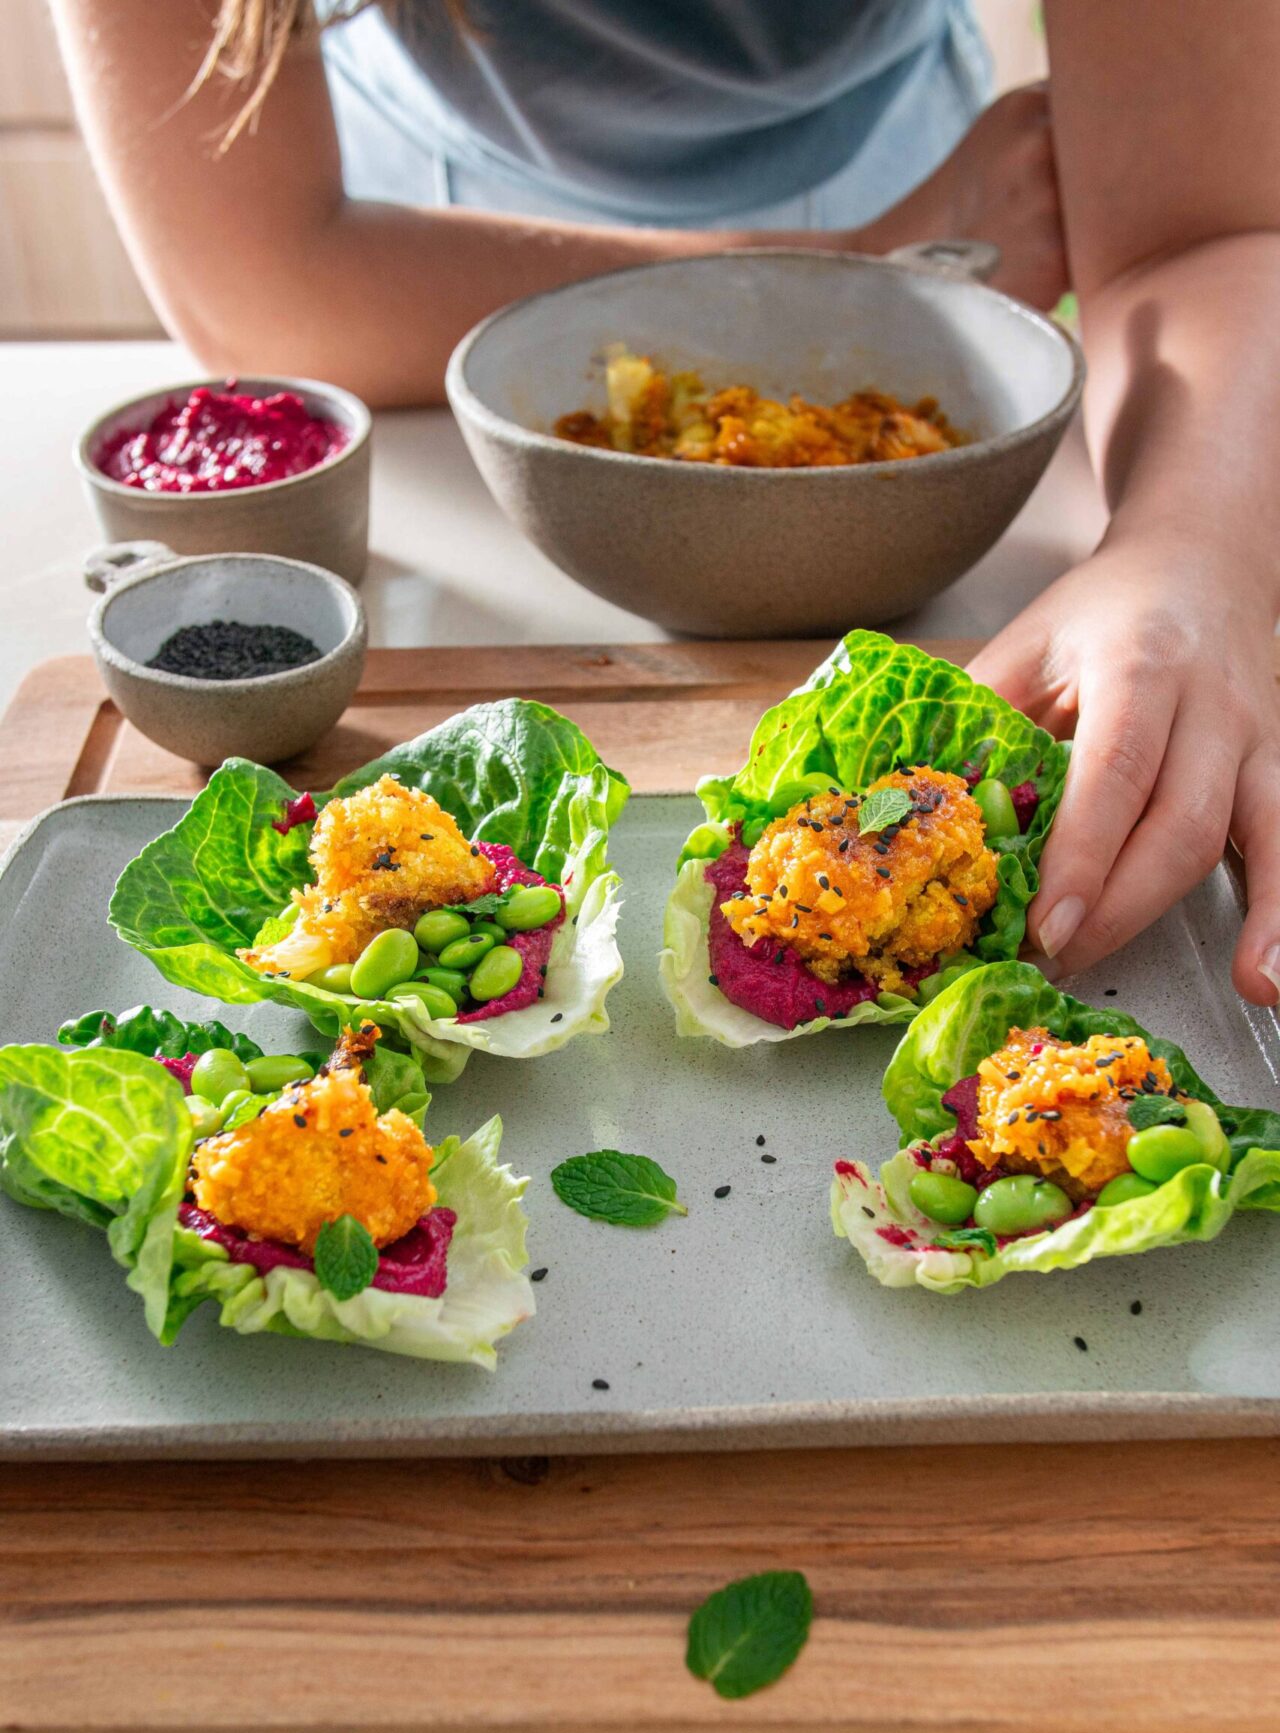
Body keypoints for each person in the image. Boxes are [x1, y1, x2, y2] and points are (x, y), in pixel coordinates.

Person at [51, 1, 1280, 1007]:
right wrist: (867, 266)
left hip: (954, 212)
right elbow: (265, 279)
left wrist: (1188, 547)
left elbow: (1202, 229)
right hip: (415, 254)